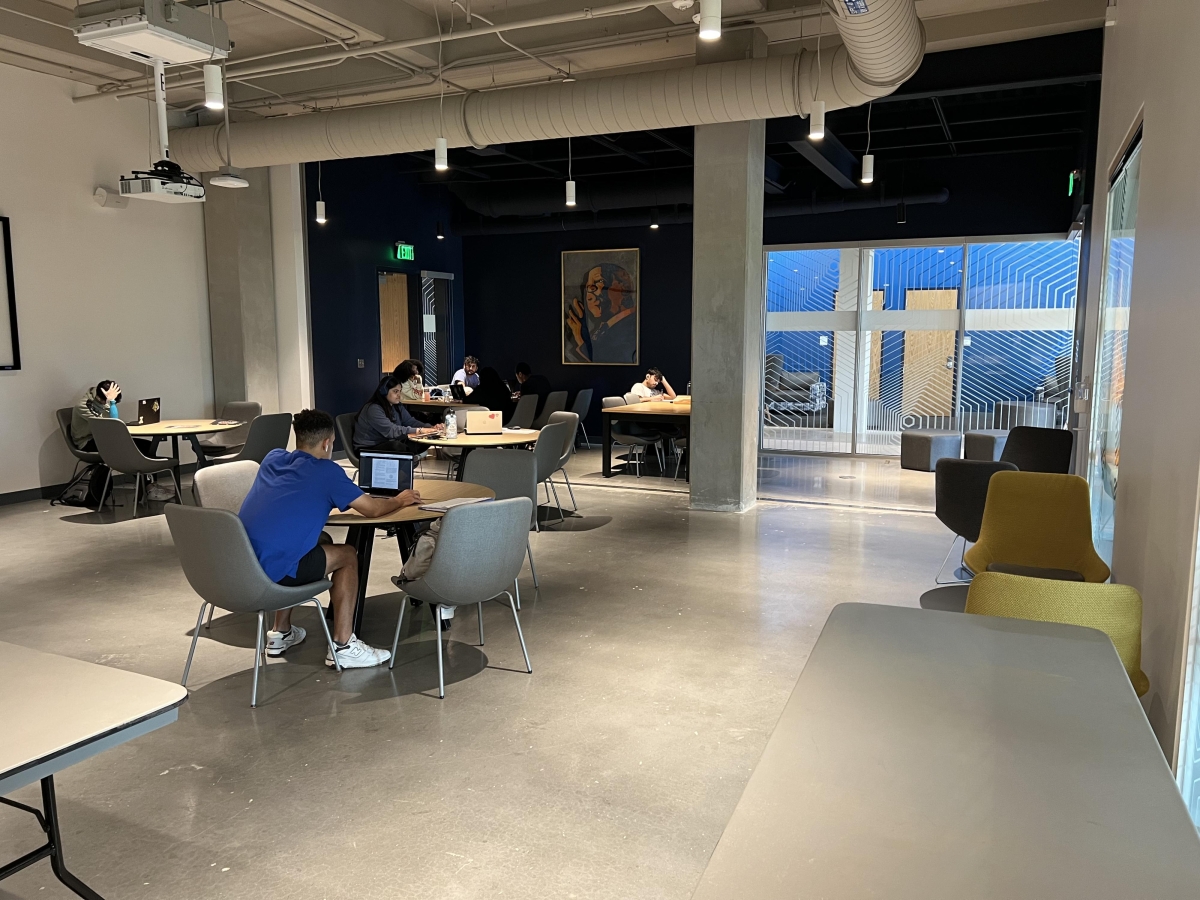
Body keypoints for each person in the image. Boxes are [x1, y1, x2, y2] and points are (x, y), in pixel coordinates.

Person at [238, 409, 422, 668]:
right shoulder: (328, 472)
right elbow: (373, 509)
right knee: (347, 555)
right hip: (278, 572)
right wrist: (400, 499)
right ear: (327, 443)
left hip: (246, 563)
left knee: (321, 539)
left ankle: (280, 633)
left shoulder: (273, 458)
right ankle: (344, 645)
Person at [70, 379, 171, 500]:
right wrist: (111, 402)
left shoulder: (101, 400)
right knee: (129, 449)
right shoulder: (84, 406)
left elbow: (111, 426)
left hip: (104, 437)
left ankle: (149, 485)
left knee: (147, 446)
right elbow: (112, 423)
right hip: (87, 442)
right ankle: (148, 488)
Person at [355, 375, 443, 454]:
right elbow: (391, 431)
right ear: (384, 391)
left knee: (429, 439)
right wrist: (419, 430)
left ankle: (407, 460)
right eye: (395, 391)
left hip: (388, 442)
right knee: (397, 447)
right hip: (368, 448)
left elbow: (410, 421)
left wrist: (431, 428)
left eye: (400, 391)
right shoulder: (373, 409)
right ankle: (407, 460)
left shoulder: (396, 406)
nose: (399, 395)